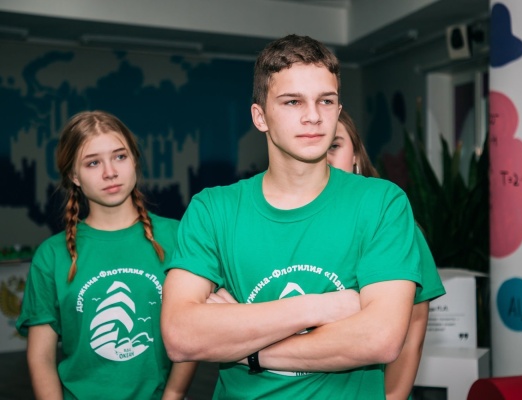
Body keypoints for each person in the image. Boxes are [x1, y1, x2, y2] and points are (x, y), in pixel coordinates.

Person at [161, 34, 422, 399]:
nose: (313, 116)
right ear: (260, 117)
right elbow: (181, 336)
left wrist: (248, 350)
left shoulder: (382, 203)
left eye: (325, 101)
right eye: (292, 101)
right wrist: (321, 307)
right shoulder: (213, 209)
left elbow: (381, 339)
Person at [16, 110, 197, 400]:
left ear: (134, 160)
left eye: (120, 156)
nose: (109, 172)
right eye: (93, 162)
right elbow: (41, 358)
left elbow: (191, 332)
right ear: (74, 176)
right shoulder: (51, 255)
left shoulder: (178, 237)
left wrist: (173, 395)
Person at [328, 109, 446, 399]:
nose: (324, 157)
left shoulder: (394, 225)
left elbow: (412, 333)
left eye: (334, 145)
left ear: (356, 156)